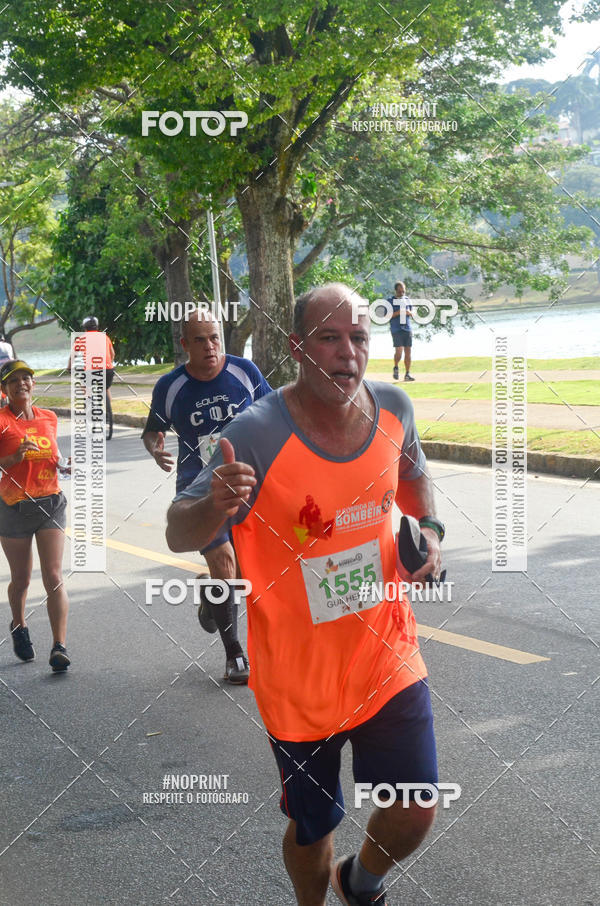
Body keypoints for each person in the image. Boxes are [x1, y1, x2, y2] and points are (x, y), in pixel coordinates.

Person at [166, 283, 445, 906]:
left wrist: (428, 531)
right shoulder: (256, 433)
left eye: (359, 339)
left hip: (386, 657)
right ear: (296, 346)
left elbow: (415, 478)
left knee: (416, 808)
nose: (348, 354)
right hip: (298, 678)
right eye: (329, 338)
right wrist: (214, 503)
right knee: (314, 824)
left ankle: (361, 881)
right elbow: (179, 531)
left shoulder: (394, 408)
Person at [142, 311, 271, 684]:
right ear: (185, 345)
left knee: (246, 572)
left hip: (248, 480)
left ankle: (211, 596)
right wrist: (156, 448)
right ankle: (235, 655)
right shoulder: (170, 386)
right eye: (199, 340)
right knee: (223, 559)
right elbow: (152, 431)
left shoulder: (244, 372)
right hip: (198, 487)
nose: (210, 347)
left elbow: (275, 413)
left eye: (214, 338)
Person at [0, 359, 71, 672]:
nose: (22, 384)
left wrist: (63, 464)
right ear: (4, 390)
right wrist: (15, 456)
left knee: (54, 576)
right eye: (13, 381)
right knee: (21, 579)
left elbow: (53, 456)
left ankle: (59, 646)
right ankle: (19, 624)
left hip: (50, 503)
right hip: (14, 506)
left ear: (33, 384)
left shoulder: (49, 418)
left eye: (26, 378)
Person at [67, 316, 116, 402]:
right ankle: (109, 411)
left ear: (85, 328)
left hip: (90, 371)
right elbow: (113, 354)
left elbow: (72, 356)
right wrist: (109, 365)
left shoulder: (81, 339)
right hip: (108, 370)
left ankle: (89, 402)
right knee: (105, 389)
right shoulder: (105, 337)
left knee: (83, 384)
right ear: (97, 326)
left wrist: (69, 367)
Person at [388, 281, 415, 382]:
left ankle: (407, 374)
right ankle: (396, 367)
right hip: (396, 329)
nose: (402, 293)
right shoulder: (390, 301)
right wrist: (398, 312)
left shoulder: (407, 300)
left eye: (403, 291)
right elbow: (386, 316)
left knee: (408, 352)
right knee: (399, 351)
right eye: (400, 292)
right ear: (396, 291)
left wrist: (409, 313)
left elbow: (413, 312)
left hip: (407, 329)